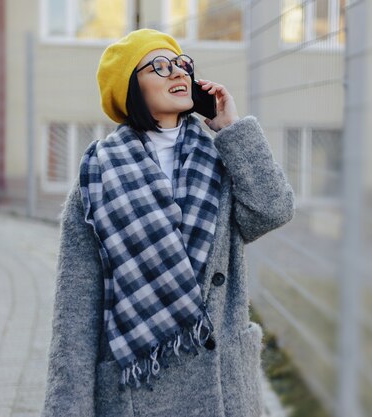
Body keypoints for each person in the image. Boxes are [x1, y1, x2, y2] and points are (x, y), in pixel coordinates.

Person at [42, 28, 294, 417]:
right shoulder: (99, 178)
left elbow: (272, 210)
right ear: (129, 88)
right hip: (140, 388)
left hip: (223, 389)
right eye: (159, 66)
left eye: (182, 64)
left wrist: (231, 128)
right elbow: (75, 315)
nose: (177, 72)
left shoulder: (222, 161)